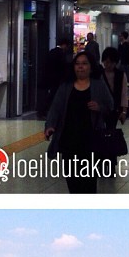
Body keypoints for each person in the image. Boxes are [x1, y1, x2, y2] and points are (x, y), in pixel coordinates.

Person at [44, 51, 113, 193]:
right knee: (73, 182)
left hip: (91, 141)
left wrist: (99, 107)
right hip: (69, 141)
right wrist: (50, 126)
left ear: (91, 67)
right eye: (77, 64)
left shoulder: (98, 85)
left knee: (89, 182)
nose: (80, 67)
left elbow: (110, 106)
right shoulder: (66, 86)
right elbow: (56, 108)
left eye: (84, 64)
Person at [39, 37, 72, 117]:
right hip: (57, 79)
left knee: (50, 95)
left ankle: (43, 111)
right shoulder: (61, 54)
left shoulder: (52, 52)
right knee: (54, 96)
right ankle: (47, 111)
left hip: (49, 78)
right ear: (65, 45)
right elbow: (63, 67)